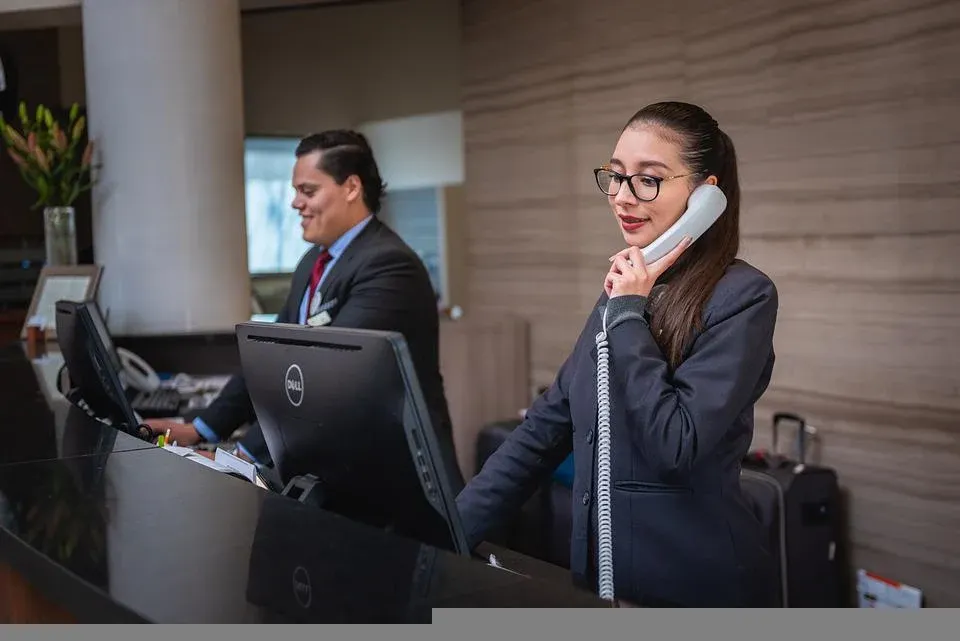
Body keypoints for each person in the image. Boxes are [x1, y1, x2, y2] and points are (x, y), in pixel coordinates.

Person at [455, 102, 779, 607]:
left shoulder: (742, 296)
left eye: (647, 180)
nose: (622, 198)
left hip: (695, 590)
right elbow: (542, 432)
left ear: (705, 196)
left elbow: (677, 444)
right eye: (616, 176)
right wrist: (447, 530)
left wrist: (629, 311)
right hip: (601, 586)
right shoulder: (623, 293)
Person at [147, 131, 457, 485]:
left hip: (392, 485)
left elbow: (324, 381)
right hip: (335, 470)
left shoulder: (388, 266)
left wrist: (241, 457)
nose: (295, 203)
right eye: (296, 191)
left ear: (352, 188)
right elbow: (269, 359)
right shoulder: (313, 261)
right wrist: (200, 428)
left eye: (308, 191)